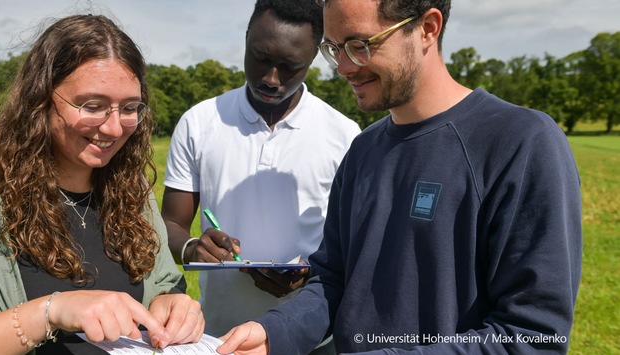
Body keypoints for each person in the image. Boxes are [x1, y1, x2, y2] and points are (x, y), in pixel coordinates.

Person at [218, 0, 583, 354]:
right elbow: (333, 282)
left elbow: (533, 336)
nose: (343, 67)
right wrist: (274, 332)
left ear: (427, 29)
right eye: (334, 48)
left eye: (359, 46)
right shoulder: (362, 152)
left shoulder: (521, 142)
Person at [0, 14, 204, 355]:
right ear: (41, 99)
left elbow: (162, 283)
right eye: (92, 105)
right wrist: (50, 312)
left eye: (129, 108)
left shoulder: (130, 188)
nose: (113, 128)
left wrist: (171, 303)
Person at [161, 0, 360, 353]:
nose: (271, 78)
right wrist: (194, 247)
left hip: (312, 340)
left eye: (289, 67)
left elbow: (353, 248)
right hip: (218, 338)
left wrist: (309, 274)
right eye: (260, 57)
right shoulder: (199, 122)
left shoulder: (343, 135)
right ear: (247, 37)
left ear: (313, 58)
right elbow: (170, 225)